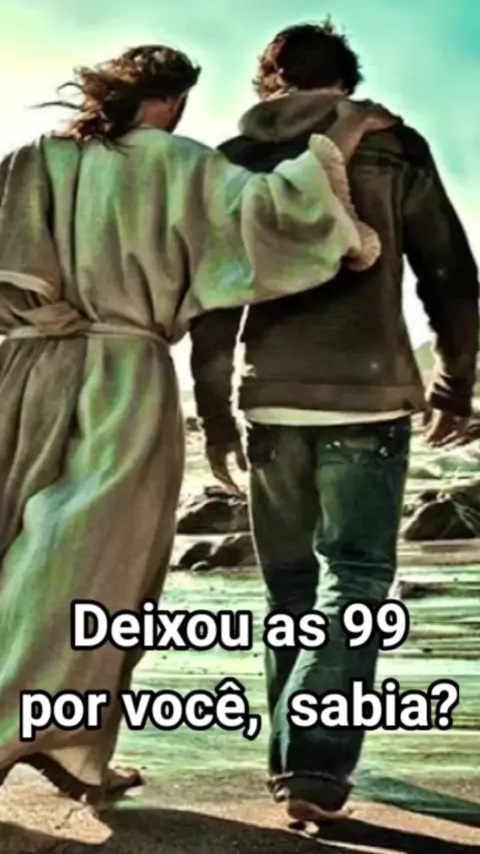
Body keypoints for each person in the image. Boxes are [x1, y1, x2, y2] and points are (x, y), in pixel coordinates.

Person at [0, 43, 392, 807]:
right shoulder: (177, 162)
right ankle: (19, 725)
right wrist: (339, 138)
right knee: (98, 565)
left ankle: (76, 748)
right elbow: (274, 216)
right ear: (172, 99)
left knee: (19, 542)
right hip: (122, 376)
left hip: (22, 371)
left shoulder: (31, 160)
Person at [190, 21, 479, 824]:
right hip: (369, 396)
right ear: (346, 81)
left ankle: (292, 766)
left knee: (289, 588)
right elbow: (448, 270)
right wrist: (455, 381)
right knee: (355, 582)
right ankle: (314, 770)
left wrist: (215, 413)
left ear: (269, 81)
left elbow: (214, 293)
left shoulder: (235, 157)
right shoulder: (395, 146)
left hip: (270, 398)